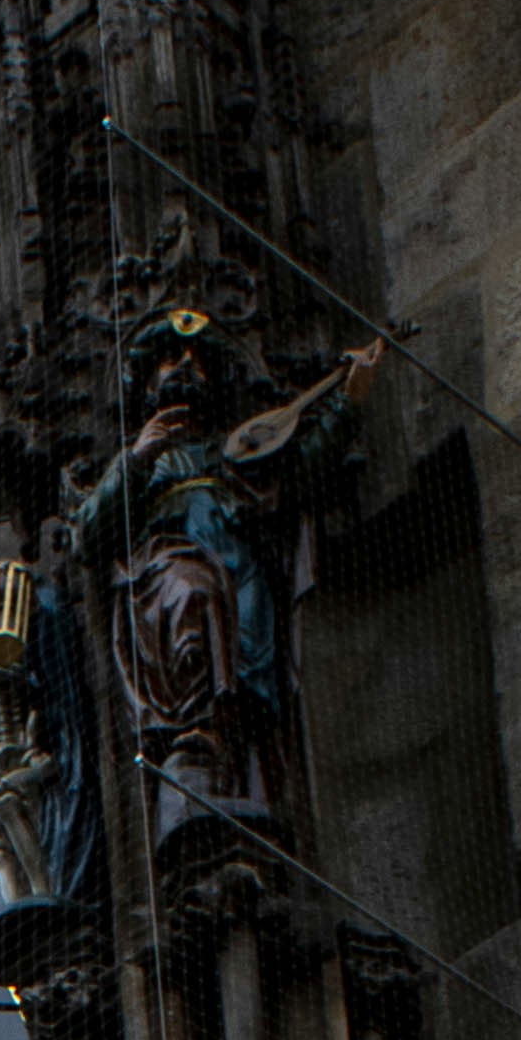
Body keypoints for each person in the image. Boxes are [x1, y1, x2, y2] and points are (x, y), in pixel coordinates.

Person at [66, 306, 380, 831]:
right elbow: (86, 536)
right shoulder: (143, 462)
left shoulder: (233, 454)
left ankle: (235, 766)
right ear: (147, 382)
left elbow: (298, 478)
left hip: (242, 569)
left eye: (198, 359)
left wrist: (349, 399)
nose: (186, 365)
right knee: (194, 593)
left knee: (240, 656)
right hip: (165, 570)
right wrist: (138, 458)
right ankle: (193, 745)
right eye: (171, 357)